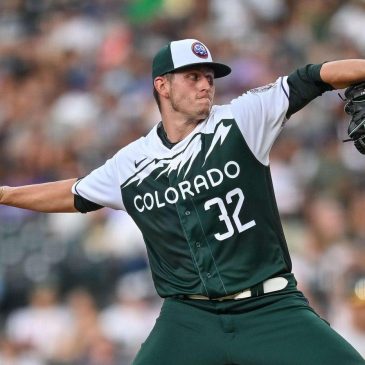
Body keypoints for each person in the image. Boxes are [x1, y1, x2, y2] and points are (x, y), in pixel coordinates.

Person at [1, 38, 365, 365]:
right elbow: (74, 193)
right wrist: (5, 194)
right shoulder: (132, 162)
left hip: (268, 307)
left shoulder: (241, 120)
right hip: (189, 319)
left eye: (209, 76)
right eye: (192, 76)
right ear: (162, 85)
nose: (206, 84)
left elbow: (313, 77)